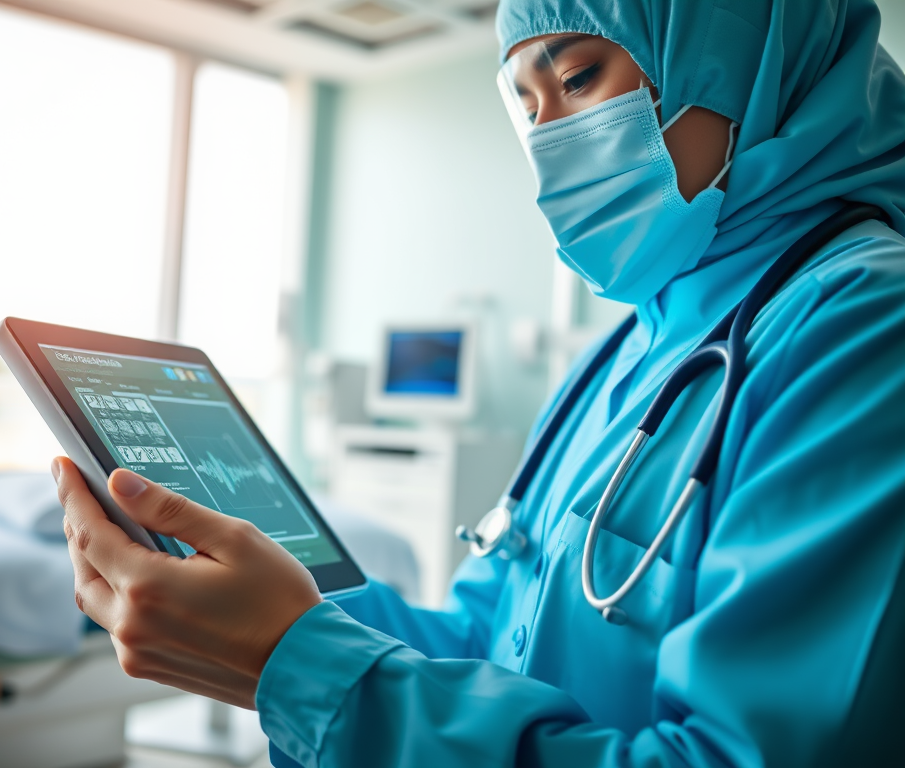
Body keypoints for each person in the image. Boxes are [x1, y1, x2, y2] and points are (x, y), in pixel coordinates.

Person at [54, 0, 905, 765]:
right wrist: (280, 614)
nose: (550, 140)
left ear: (743, 58)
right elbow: (487, 643)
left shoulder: (867, 323)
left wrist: (297, 663)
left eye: (577, 76)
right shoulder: (621, 355)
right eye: (528, 106)